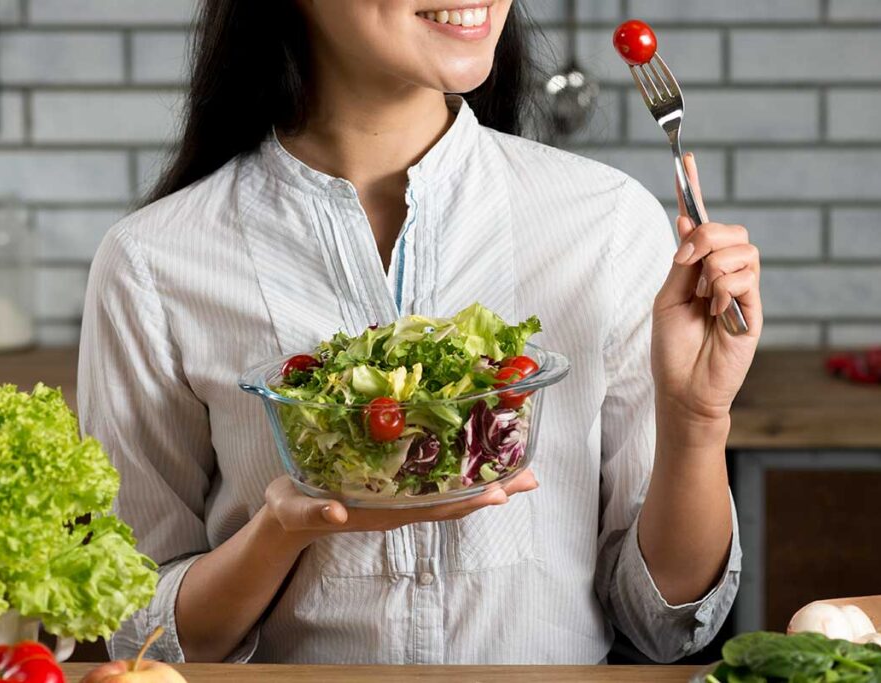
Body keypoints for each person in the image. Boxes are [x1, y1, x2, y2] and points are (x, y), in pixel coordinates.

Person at [78, 0, 762, 665]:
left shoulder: (606, 225)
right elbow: (142, 635)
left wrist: (697, 417)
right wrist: (278, 533)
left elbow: (667, 623)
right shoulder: (153, 261)